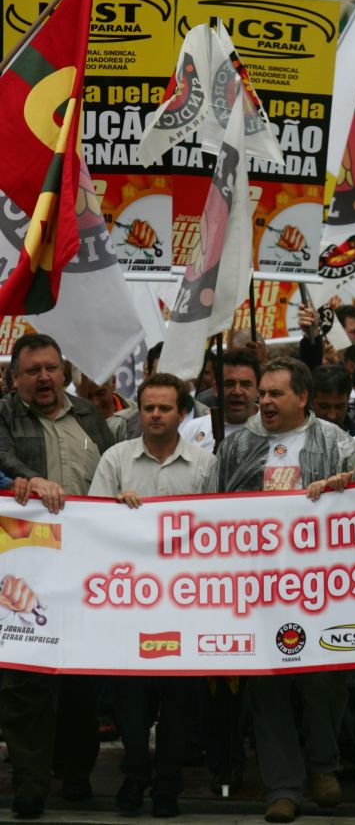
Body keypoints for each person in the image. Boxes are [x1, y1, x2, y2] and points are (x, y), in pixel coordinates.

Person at [218, 358, 355, 823]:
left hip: (323, 586)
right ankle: (283, 785)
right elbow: (214, 509)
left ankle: (323, 767)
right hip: (258, 587)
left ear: (302, 398)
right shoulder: (237, 446)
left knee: (323, 680)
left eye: (274, 393)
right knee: (268, 686)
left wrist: (348, 490)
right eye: (261, 393)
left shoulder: (339, 444)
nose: (263, 401)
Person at [89, 373, 218, 818]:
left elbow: (220, 530)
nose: (156, 415)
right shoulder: (115, 459)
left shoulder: (205, 463)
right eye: (149, 408)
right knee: (129, 699)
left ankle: (167, 785)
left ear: (183, 414)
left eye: (165, 408)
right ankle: (136, 773)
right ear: (138, 411)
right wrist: (116, 514)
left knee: (180, 701)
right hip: (128, 601)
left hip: (187, 602)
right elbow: (93, 526)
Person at [0, 333, 114, 818]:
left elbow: (114, 472)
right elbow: (1, 461)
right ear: (15, 378)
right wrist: (23, 479)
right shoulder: (4, 415)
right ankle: (29, 782)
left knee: (80, 678)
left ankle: (76, 772)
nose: (44, 378)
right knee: (26, 681)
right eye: (32, 371)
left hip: (89, 568)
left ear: (64, 371)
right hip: (28, 565)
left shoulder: (90, 416)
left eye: (51, 368)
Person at [180, 350, 260, 450]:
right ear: (215, 388)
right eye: (229, 384)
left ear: (258, 389)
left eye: (245, 384)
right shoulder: (193, 429)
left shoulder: (274, 428)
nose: (237, 391)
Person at [311, 364, 352, 430]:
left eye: (339, 407)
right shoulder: (294, 436)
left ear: (348, 400)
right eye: (324, 406)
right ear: (310, 402)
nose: (332, 416)